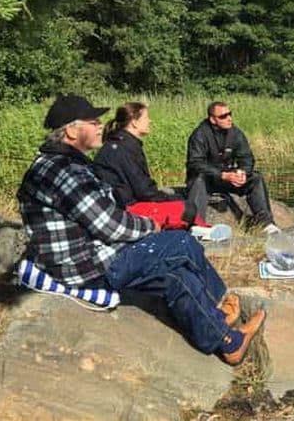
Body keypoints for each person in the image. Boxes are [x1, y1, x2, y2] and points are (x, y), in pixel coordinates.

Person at [17, 94, 264, 365]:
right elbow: (109, 225)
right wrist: (150, 226)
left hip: (84, 258)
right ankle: (224, 322)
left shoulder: (54, 164)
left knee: (174, 277)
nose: (101, 125)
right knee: (180, 242)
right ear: (72, 130)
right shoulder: (65, 173)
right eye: (93, 121)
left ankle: (222, 330)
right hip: (91, 266)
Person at [93, 102, 207, 230]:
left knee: (178, 199)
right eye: (146, 118)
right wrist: (168, 198)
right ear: (134, 123)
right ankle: (200, 230)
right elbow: (144, 191)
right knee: (187, 207)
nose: (150, 121)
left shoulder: (123, 143)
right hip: (126, 209)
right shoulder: (122, 148)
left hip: (128, 202)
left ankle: (199, 228)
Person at [186, 101, 279, 232]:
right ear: (213, 119)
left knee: (256, 177)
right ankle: (196, 226)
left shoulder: (236, 133)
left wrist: (242, 173)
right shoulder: (199, 135)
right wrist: (222, 175)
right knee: (198, 178)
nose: (229, 118)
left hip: (227, 179)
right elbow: (195, 163)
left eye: (230, 114)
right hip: (206, 180)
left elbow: (247, 158)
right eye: (223, 116)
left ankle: (266, 224)